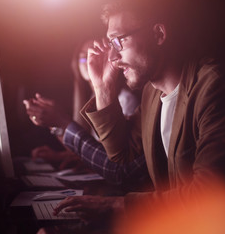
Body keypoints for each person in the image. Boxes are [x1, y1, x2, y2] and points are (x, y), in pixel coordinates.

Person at [52, 0, 225, 228]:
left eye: (119, 41)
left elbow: (207, 195)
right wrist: (102, 89)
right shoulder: (152, 93)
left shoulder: (213, 87)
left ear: (159, 34)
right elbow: (122, 157)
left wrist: (114, 205)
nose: (112, 57)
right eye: (110, 44)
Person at [23, 38, 152, 191]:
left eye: (94, 54)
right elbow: (93, 151)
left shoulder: (126, 100)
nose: (87, 60)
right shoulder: (91, 98)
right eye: (82, 56)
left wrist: (60, 123)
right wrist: (57, 128)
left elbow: (116, 164)